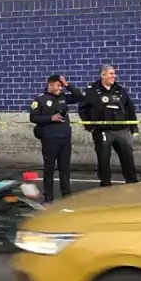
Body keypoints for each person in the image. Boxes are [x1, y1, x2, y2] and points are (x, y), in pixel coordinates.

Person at [78, 65, 139, 186]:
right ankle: (105, 183)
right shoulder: (92, 91)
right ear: (103, 75)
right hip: (102, 131)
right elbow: (83, 109)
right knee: (103, 158)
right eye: (111, 74)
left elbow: (130, 109)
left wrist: (133, 128)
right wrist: (90, 127)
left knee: (127, 157)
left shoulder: (120, 90)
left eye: (114, 74)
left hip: (121, 130)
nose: (114, 76)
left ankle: (132, 182)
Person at [29, 74, 83, 202]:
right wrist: (50, 118)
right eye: (58, 86)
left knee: (65, 168)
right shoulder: (40, 100)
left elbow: (80, 96)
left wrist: (67, 84)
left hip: (65, 138)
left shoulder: (63, 97)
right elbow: (33, 117)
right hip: (50, 139)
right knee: (49, 168)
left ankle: (66, 193)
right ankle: (48, 196)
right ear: (50, 85)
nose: (60, 88)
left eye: (61, 86)